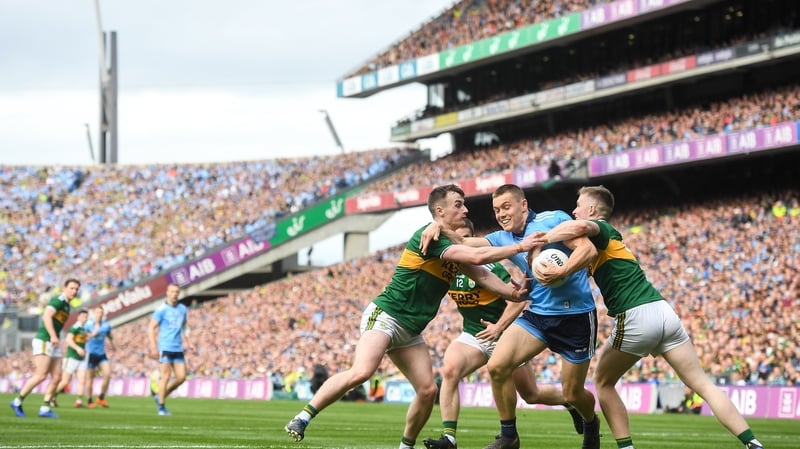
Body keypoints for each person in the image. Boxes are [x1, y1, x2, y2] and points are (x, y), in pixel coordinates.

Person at [284, 184, 539, 449]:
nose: (465, 208)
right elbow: (476, 254)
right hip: (387, 315)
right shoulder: (429, 237)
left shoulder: (448, 239)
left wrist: (515, 295)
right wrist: (521, 246)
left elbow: (483, 275)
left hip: (411, 330)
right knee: (363, 371)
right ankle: (303, 417)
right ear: (440, 211)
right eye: (459, 204)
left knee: (428, 390)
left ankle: (405, 446)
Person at [530, 185, 764, 449]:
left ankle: (626, 447)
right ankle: (752, 442)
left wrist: (544, 238)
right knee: (703, 384)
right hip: (664, 313)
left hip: (637, 315)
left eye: (578, 206)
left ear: (592, 210)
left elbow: (582, 228)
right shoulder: (606, 246)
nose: (574, 211)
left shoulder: (602, 228)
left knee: (603, 383)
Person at [421, 184, 601, 449]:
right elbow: (464, 243)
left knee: (572, 392)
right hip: (538, 314)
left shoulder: (552, 220)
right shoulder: (502, 238)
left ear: (524, 205)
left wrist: (563, 271)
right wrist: (438, 227)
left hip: (575, 316)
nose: (501, 214)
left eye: (506, 207)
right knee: (497, 366)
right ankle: (508, 437)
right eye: (496, 210)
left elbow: (588, 250)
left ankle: (590, 422)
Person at [10, 278, 81, 418]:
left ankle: (44, 408)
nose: (74, 291)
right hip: (45, 339)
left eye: (76, 289)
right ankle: (17, 401)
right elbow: (46, 316)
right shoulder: (58, 300)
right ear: (64, 288)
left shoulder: (67, 305)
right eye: (72, 288)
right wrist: (54, 336)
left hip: (53, 341)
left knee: (57, 377)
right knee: (41, 375)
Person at [148, 283, 193, 416]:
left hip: (178, 347)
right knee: (166, 376)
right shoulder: (161, 310)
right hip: (165, 347)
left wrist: (189, 341)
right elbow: (151, 328)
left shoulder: (182, 309)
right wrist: (153, 346)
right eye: (172, 292)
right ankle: (161, 407)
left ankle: (160, 395)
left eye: (176, 292)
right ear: (167, 293)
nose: (174, 294)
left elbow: (184, 326)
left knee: (181, 377)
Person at [53, 308, 90, 408]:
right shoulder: (75, 327)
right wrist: (78, 348)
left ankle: (78, 401)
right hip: (72, 357)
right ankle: (52, 396)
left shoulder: (83, 329)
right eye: (83, 316)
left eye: (86, 317)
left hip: (81, 358)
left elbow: (82, 341)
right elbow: (68, 340)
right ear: (78, 317)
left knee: (82, 380)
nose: (85, 318)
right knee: (65, 381)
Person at [84, 306, 116, 408]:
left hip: (101, 353)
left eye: (101, 313)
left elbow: (110, 336)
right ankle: (89, 400)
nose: (99, 314)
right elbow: (85, 337)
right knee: (90, 378)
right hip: (91, 353)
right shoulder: (88, 325)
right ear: (94, 314)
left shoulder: (106, 325)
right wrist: (93, 333)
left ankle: (101, 398)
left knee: (107, 374)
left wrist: (114, 346)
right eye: (97, 312)